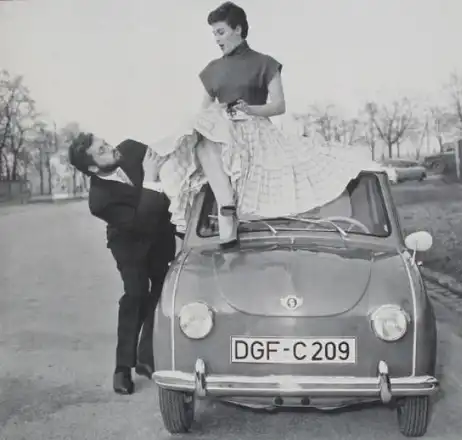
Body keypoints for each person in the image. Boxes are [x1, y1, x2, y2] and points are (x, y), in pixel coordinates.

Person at [149, 1, 383, 248]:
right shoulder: (211, 70)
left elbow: (279, 105)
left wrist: (250, 110)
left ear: (238, 29)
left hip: (254, 129)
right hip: (220, 134)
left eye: (221, 32)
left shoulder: (265, 63)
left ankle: (227, 209)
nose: (216, 39)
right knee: (197, 133)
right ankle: (225, 203)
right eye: (214, 34)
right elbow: (204, 112)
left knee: (206, 135)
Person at [68, 134, 179, 395]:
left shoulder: (131, 148)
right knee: (136, 294)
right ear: (93, 168)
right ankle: (122, 367)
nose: (111, 148)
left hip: (161, 234)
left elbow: (165, 152)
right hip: (130, 244)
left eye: (105, 142)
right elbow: (139, 223)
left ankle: (146, 356)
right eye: (102, 151)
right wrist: (150, 178)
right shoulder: (99, 200)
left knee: (162, 292)